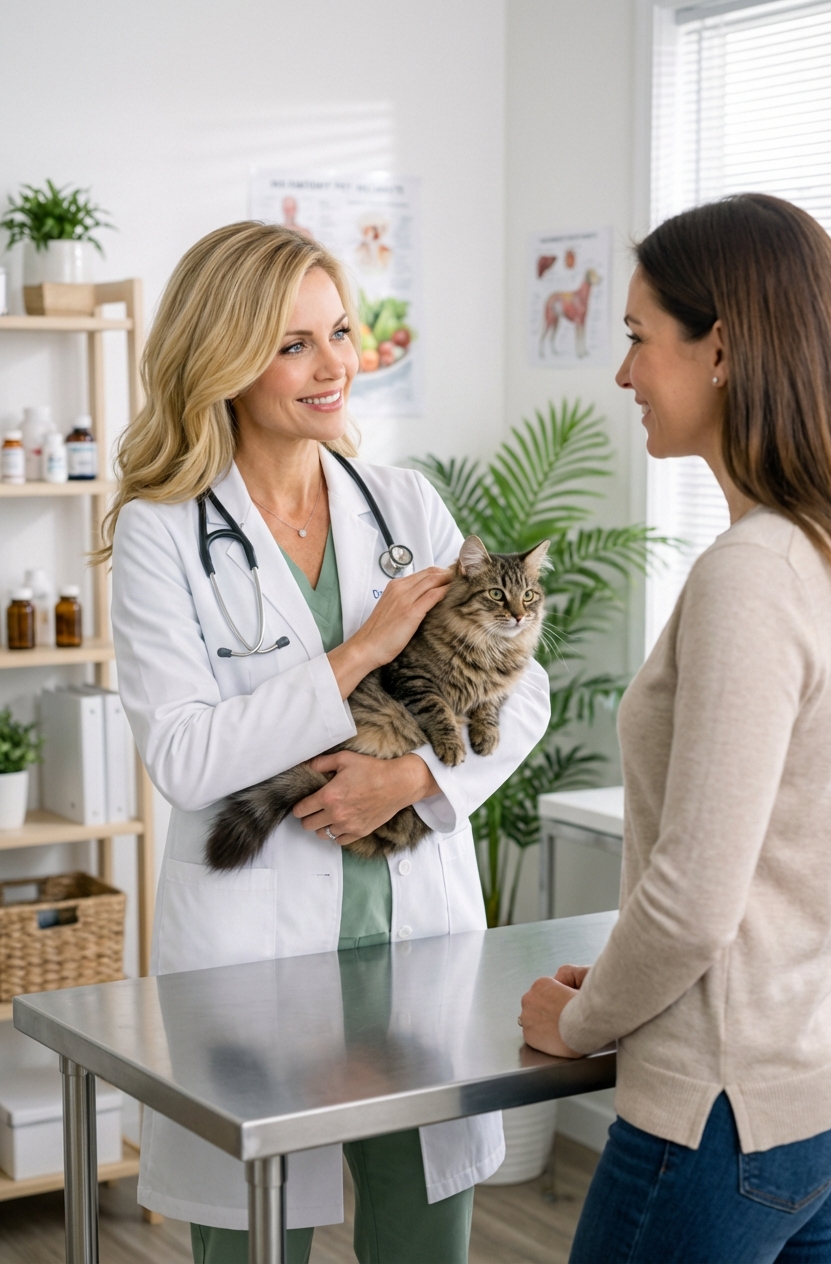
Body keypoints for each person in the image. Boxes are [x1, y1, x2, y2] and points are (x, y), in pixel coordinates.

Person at [103, 222, 550, 1264]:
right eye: (292, 343)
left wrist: (412, 776)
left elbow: (522, 690)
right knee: (255, 1240)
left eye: (340, 332)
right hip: (253, 961)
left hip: (413, 950)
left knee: (423, 1237)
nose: (333, 364)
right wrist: (357, 654)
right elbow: (185, 756)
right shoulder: (163, 530)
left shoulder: (402, 504)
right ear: (221, 356)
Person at [520, 194, 831, 1264]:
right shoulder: (824, 552)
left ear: (721, 350)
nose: (622, 374)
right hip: (812, 1096)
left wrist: (580, 1024)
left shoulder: (753, 575)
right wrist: (623, 984)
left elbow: (696, 897)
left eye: (636, 336)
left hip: (715, 1114)